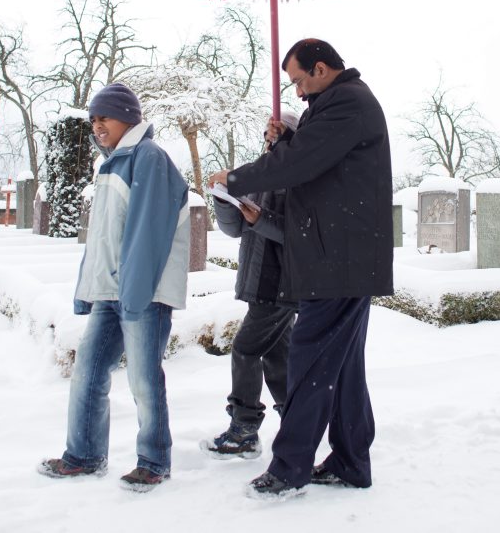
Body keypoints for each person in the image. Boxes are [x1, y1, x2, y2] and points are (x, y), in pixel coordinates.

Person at [208, 38, 393, 498]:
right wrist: (289, 138)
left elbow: (299, 165)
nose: (295, 91)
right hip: (343, 256)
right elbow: (318, 158)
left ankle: (289, 468)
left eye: (298, 80)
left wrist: (235, 179)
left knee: (308, 362)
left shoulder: (346, 103)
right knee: (344, 368)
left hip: (338, 258)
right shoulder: (336, 104)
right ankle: (351, 460)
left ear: (323, 68)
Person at [38, 82, 191, 492]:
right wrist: (88, 288)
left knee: (144, 380)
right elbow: (103, 236)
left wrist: (135, 293)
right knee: (87, 373)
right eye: (92, 119)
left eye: (104, 116)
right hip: (112, 291)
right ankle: (84, 455)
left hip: (144, 293)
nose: (97, 125)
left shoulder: (149, 158)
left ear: (129, 117)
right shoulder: (112, 163)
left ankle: (154, 461)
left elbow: (147, 232)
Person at [201, 111, 301, 459]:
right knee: (276, 357)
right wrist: (224, 197)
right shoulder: (259, 173)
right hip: (260, 281)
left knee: (245, 349)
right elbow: (235, 229)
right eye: (268, 133)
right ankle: (298, 423)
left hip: (280, 284)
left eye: (279, 133)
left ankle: (244, 428)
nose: (270, 139)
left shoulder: (296, 178)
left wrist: (261, 219)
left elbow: (296, 235)